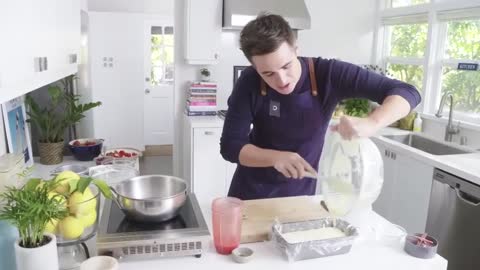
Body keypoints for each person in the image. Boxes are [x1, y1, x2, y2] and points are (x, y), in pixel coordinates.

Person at [220, 14, 421, 200]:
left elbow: (408, 92)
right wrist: (275, 158)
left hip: (299, 196)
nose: (281, 80)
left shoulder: (328, 74)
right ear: (255, 69)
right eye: (268, 74)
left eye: (286, 66)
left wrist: (373, 122)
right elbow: (231, 147)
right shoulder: (249, 81)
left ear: (296, 50)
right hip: (249, 195)